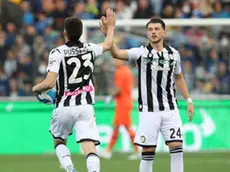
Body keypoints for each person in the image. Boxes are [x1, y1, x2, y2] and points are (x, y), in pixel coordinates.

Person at [100, 17, 194, 172]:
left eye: (157, 29)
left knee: (177, 148)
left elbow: (179, 78)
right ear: (147, 33)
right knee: (148, 152)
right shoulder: (140, 53)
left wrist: (189, 100)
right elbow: (116, 53)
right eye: (150, 29)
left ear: (164, 32)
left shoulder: (173, 54)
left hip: (170, 110)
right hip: (148, 112)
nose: (154, 32)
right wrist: (108, 34)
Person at [32, 8, 116, 172]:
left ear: (65, 33)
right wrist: (111, 27)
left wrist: (36, 88)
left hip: (64, 106)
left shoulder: (57, 52)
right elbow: (107, 44)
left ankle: (71, 170)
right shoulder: (90, 48)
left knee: (59, 142)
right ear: (81, 32)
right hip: (85, 106)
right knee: (89, 147)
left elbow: (49, 83)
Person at [100, 58, 139, 160]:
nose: (115, 62)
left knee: (127, 126)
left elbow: (118, 89)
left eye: (117, 60)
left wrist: (110, 97)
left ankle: (138, 150)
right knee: (117, 126)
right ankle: (108, 150)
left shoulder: (120, 72)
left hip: (123, 103)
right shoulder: (127, 71)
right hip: (125, 102)